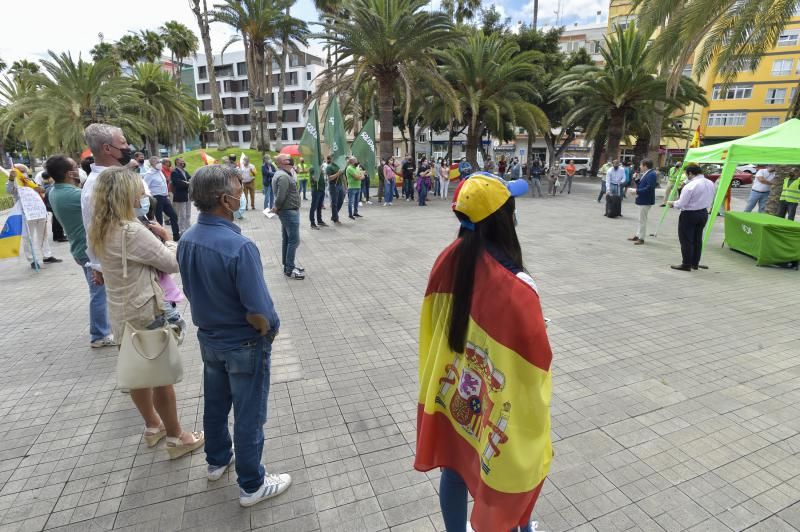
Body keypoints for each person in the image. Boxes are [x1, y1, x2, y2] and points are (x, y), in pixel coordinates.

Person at [414, 173, 551, 532]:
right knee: (517, 463)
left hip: (455, 385)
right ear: (503, 218)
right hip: (498, 394)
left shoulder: (448, 259)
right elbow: (536, 358)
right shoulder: (517, 284)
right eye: (512, 207)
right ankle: (519, 527)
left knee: (455, 467)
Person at [177, 165, 291, 507]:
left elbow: (188, 290)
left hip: (209, 339)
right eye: (238, 189)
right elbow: (259, 311)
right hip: (243, 343)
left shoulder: (187, 239)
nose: (242, 193)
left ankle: (216, 460)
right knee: (249, 414)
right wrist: (267, 332)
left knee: (215, 404)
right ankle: (252, 484)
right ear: (225, 200)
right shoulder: (239, 247)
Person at [87, 166, 205, 458]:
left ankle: (153, 426)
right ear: (126, 194)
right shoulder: (131, 231)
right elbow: (171, 262)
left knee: (138, 374)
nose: (144, 196)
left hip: (121, 310)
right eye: (140, 192)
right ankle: (178, 437)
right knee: (160, 377)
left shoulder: (100, 227)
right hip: (145, 309)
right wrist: (167, 237)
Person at [46, 155, 114, 348]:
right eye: (76, 167)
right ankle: (99, 334)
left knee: (100, 290)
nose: (79, 169)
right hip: (88, 250)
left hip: (79, 248)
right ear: (70, 173)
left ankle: (103, 328)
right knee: (98, 292)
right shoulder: (76, 195)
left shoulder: (54, 191)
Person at [7, 164, 62, 269]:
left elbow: (42, 190)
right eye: (20, 170)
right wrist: (11, 178)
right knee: (28, 237)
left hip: (39, 211)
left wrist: (40, 189)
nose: (23, 172)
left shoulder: (31, 181)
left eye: (24, 170)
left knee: (43, 234)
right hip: (26, 212)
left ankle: (47, 256)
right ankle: (32, 259)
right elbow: (9, 190)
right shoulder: (14, 182)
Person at [667, 164, 716, 271]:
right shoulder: (710, 183)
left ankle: (686, 264)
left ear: (690, 173)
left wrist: (672, 203)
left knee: (686, 240)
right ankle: (695, 263)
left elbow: (681, 203)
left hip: (689, 214)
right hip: (703, 213)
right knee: (697, 239)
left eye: (686, 174)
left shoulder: (691, 185)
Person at [271, 154, 304, 279]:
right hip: (289, 212)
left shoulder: (283, 174)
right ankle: (290, 268)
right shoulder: (283, 176)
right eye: (288, 158)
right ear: (282, 162)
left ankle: (287, 265)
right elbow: (281, 196)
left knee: (287, 239)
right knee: (294, 241)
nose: (291, 159)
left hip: (287, 211)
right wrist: (276, 206)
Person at [143, 156, 180, 240]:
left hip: (164, 197)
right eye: (156, 162)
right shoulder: (149, 174)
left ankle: (176, 236)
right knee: (159, 220)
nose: (159, 163)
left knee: (173, 215)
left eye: (159, 161)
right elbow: (145, 187)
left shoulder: (160, 171)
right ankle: (161, 239)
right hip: (157, 198)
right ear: (151, 164)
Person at [629, 159, 658, 245]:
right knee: (640, 219)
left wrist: (636, 191)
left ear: (645, 165)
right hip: (643, 199)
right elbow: (642, 185)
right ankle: (638, 235)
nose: (640, 167)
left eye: (641, 165)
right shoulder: (647, 173)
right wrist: (636, 179)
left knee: (642, 220)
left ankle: (641, 238)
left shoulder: (651, 174)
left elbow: (650, 188)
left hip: (646, 200)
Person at [171, 158, 192, 232]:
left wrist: (187, 182)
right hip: (180, 196)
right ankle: (181, 230)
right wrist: (187, 183)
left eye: (183, 161)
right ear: (177, 163)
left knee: (188, 214)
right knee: (182, 215)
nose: (183, 163)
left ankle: (188, 228)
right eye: (181, 162)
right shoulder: (174, 172)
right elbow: (178, 183)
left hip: (187, 195)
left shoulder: (185, 171)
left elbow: (190, 179)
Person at [325, 155, 345, 224]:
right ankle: (336, 218)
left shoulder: (339, 166)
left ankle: (334, 215)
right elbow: (330, 178)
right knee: (334, 203)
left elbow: (343, 176)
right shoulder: (329, 167)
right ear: (331, 159)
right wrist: (338, 173)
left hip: (340, 185)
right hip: (334, 186)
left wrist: (345, 186)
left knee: (341, 201)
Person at [309, 164, 327, 229]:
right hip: (316, 190)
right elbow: (315, 178)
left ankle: (319, 221)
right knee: (313, 207)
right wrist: (319, 171)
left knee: (319, 206)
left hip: (321, 189)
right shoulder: (313, 168)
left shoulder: (319, 168)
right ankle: (312, 223)